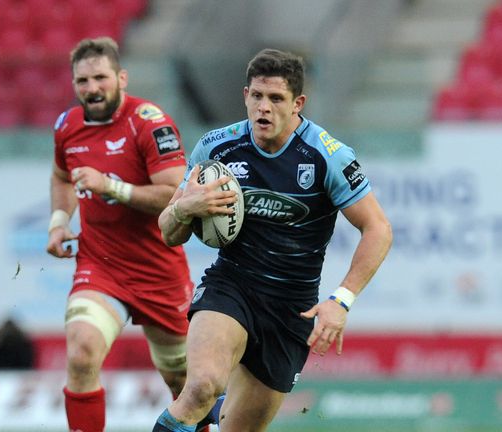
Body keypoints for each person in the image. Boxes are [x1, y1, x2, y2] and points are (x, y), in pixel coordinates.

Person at [152, 48, 393, 431]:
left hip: (291, 309)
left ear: (297, 103)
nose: (264, 108)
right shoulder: (217, 148)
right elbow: (168, 232)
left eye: (276, 99)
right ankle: (205, 410)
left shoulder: (326, 155)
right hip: (231, 286)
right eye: (257, 96)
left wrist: (341, 300)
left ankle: (214, 420)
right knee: (201, 387)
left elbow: (378, 229)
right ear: (245, 95)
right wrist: (185, 207)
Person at [46, 37, 202, 432]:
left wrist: (110, 186)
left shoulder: (150, 123)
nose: (92, 88)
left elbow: (173, 196)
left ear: (121, 77)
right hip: (101, 266)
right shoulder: (67, 126)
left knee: (186, 386)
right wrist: (59, 221)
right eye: (82, 81)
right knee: (81, 352)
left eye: (100, 77)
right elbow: (62, 176)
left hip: (158, 269)